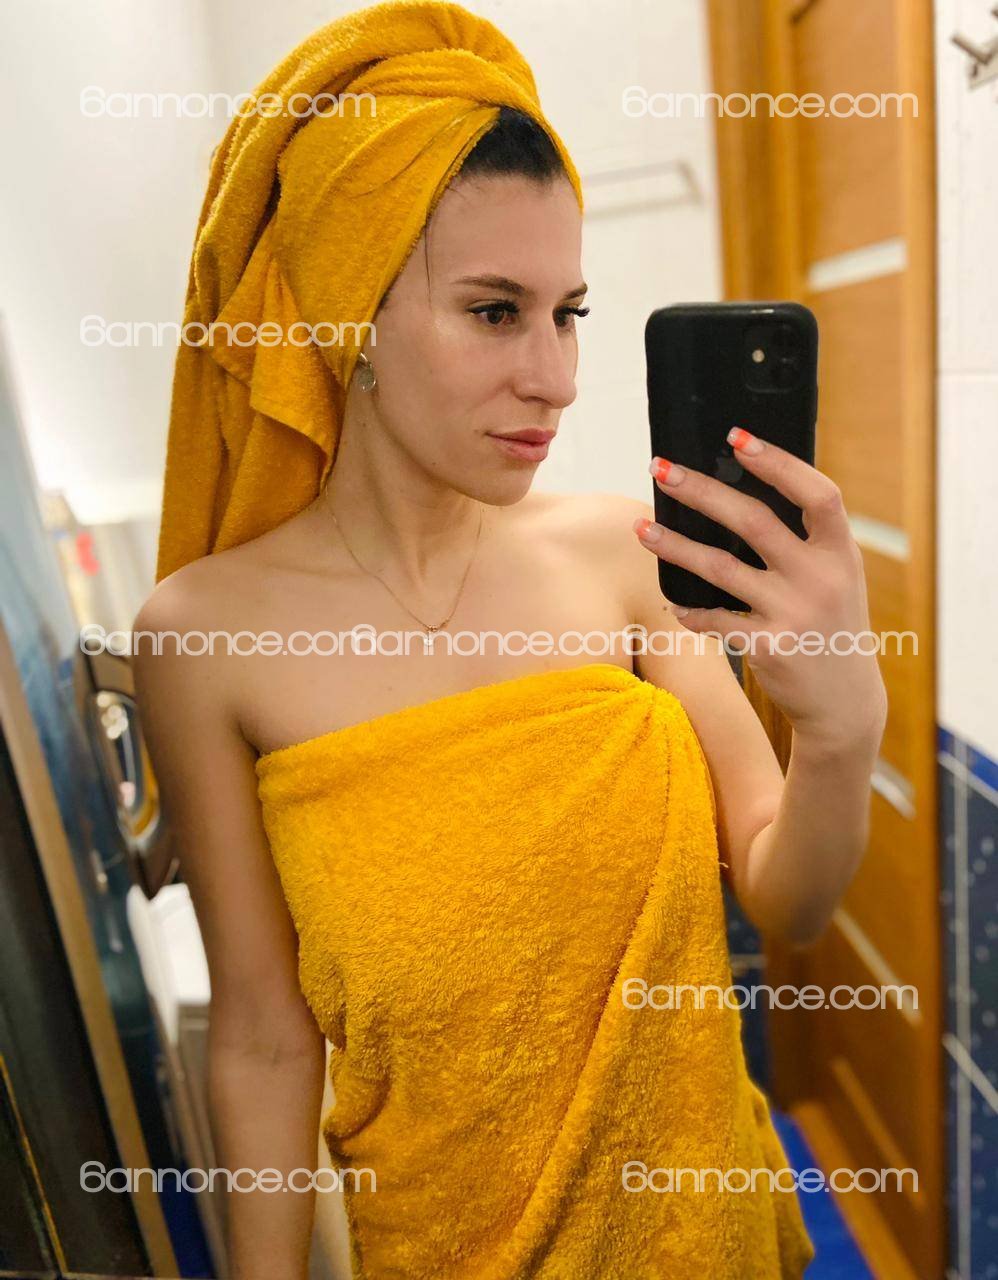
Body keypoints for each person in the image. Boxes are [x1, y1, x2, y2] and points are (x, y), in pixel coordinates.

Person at [134, 2, 884, 1276]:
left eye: (568, 312)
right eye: (494, 312)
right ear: (348, 311)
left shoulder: (622, 560)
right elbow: (262, 1037)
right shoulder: (202, 639)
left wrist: (840, 725)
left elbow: (787, 894)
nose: (556, 376)